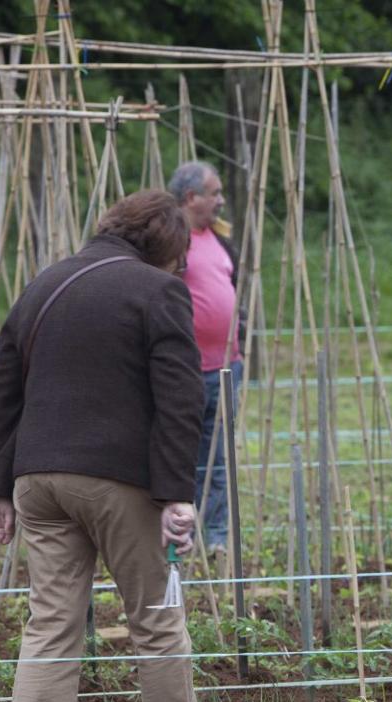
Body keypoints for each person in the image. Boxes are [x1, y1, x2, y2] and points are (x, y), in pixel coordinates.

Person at [0, 190, 219, 702]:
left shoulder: (43, 285)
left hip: (39, 483)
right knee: (158, 621)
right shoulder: (157, 292)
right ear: (166, 247)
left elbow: (2, 390)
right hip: (121, 483)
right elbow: (179, 398)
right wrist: (177, 494)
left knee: (50, 624)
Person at [168, 161, 244, 561]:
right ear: (190, 197)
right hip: (186, 370)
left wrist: (240, 343)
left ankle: (216, 538)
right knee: (185, 453)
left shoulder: (218, 238)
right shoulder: (170, 240)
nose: (220, 200)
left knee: (220, 457)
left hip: (228, 365)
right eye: (214, 193)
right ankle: (184, 533)